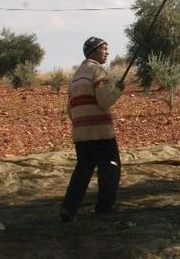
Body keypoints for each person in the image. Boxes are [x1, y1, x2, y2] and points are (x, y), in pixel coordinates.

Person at [60, 37, 125, 222]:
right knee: (111, 169)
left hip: (81, 135)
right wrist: (118, 90)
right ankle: (105, 208)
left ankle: (69, 208)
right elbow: (104, 102)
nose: (107, 52)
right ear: (94, 51)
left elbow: (70, 109)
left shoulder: (75, 77)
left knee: (82, 171)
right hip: (101, 133)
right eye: (104, 49)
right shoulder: (98, 71)